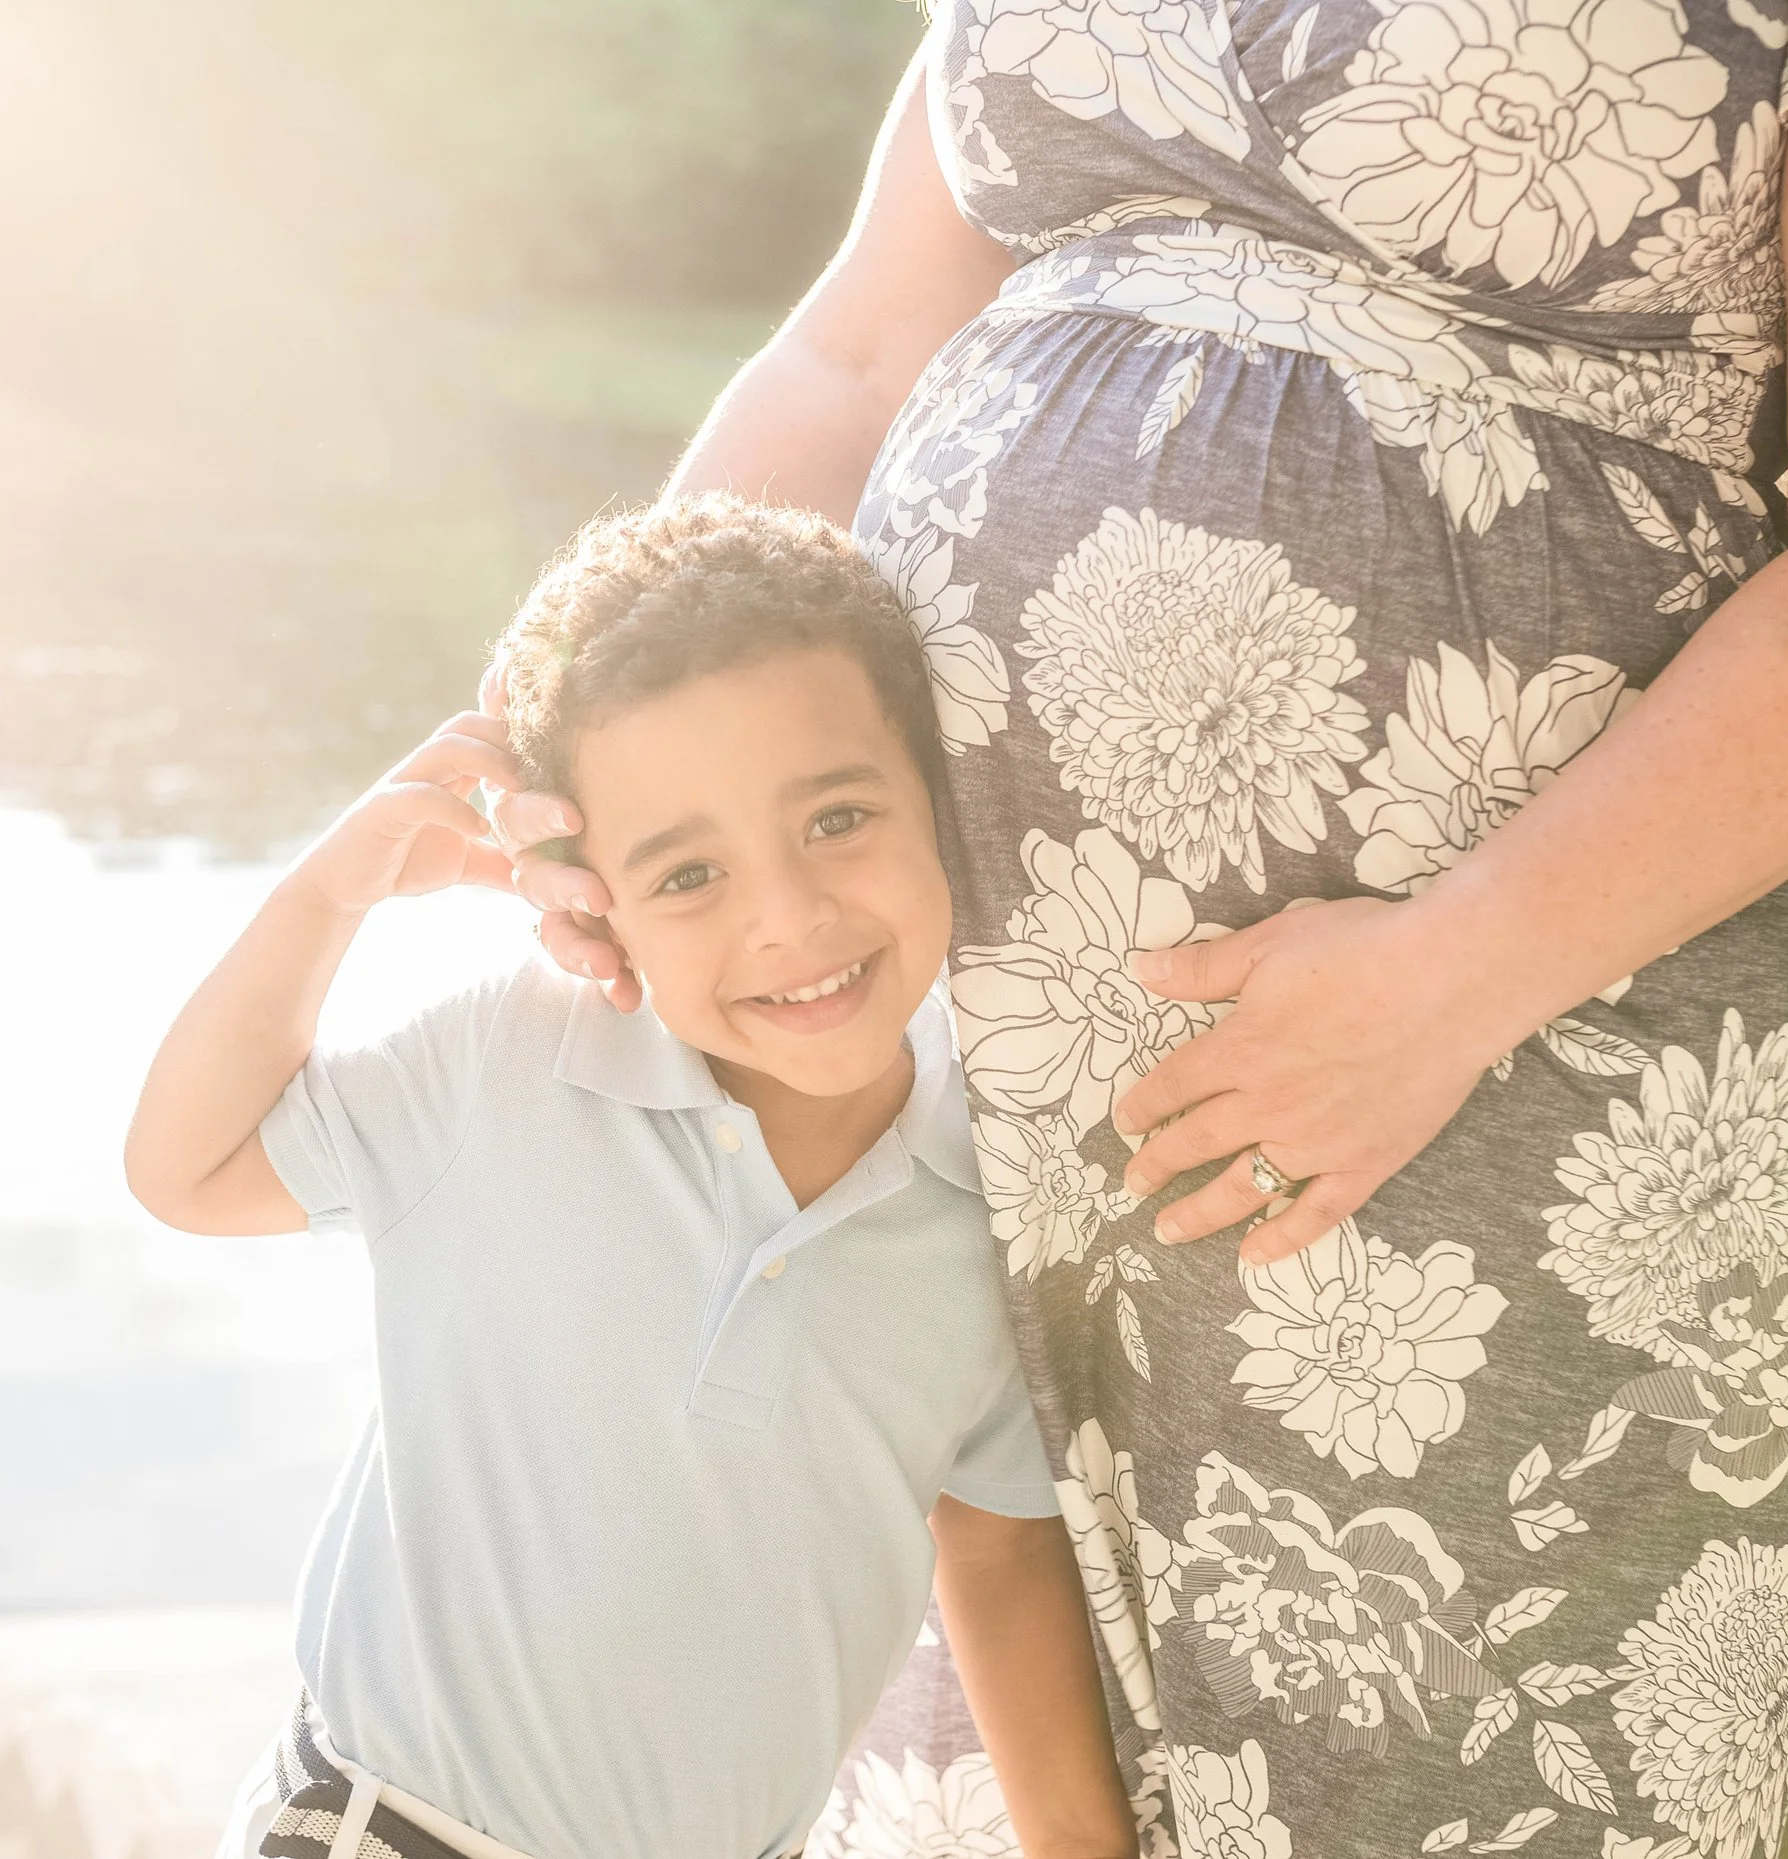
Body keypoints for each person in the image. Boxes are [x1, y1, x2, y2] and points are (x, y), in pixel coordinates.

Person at [493, 7, 1788, 1856]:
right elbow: (850, 355)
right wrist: (577, 749)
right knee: (1006, 1735)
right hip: (975, 1042)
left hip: (1529, 1043)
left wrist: (1453, 974)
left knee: (1431, 1768)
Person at [124, 497, 1137, 1859]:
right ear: (592, 892)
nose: (787, 918)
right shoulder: (503, 1060)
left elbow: (1001, 1549)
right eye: (690, 872)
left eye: (837, 817)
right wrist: (335, 888)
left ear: (938, 798)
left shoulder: (993, 1188)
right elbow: (185, 1169)